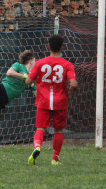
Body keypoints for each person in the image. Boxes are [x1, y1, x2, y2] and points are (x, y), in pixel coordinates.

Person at [25, 34, 78, 166]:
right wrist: (72, 87)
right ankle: (54, 159)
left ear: (48, 47)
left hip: (43, 101)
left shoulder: (40, 63)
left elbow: (28, 81)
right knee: (58, 130)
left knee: (41, 128)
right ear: (62, 47)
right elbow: (74, 83)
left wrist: (34, 78)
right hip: (60, 102)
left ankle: (37, 147)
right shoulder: (67, 64)